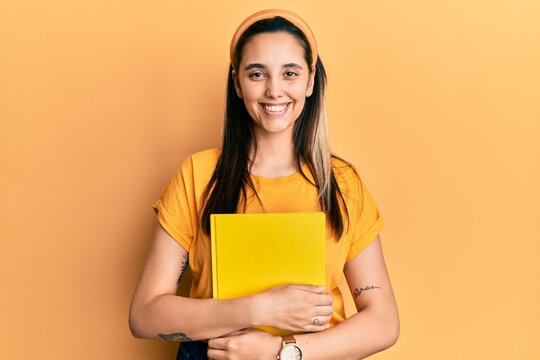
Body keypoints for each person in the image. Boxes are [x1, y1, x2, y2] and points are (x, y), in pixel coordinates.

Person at [129, 9, 399, 360]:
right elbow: (145, 315)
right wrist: (258, 309)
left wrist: (280, 352)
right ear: (237, 83)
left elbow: (383, 322)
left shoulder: (342, 183)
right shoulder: (198, 173)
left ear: (310, 80)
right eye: (257, 73)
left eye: (290, 73)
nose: (274, 90)